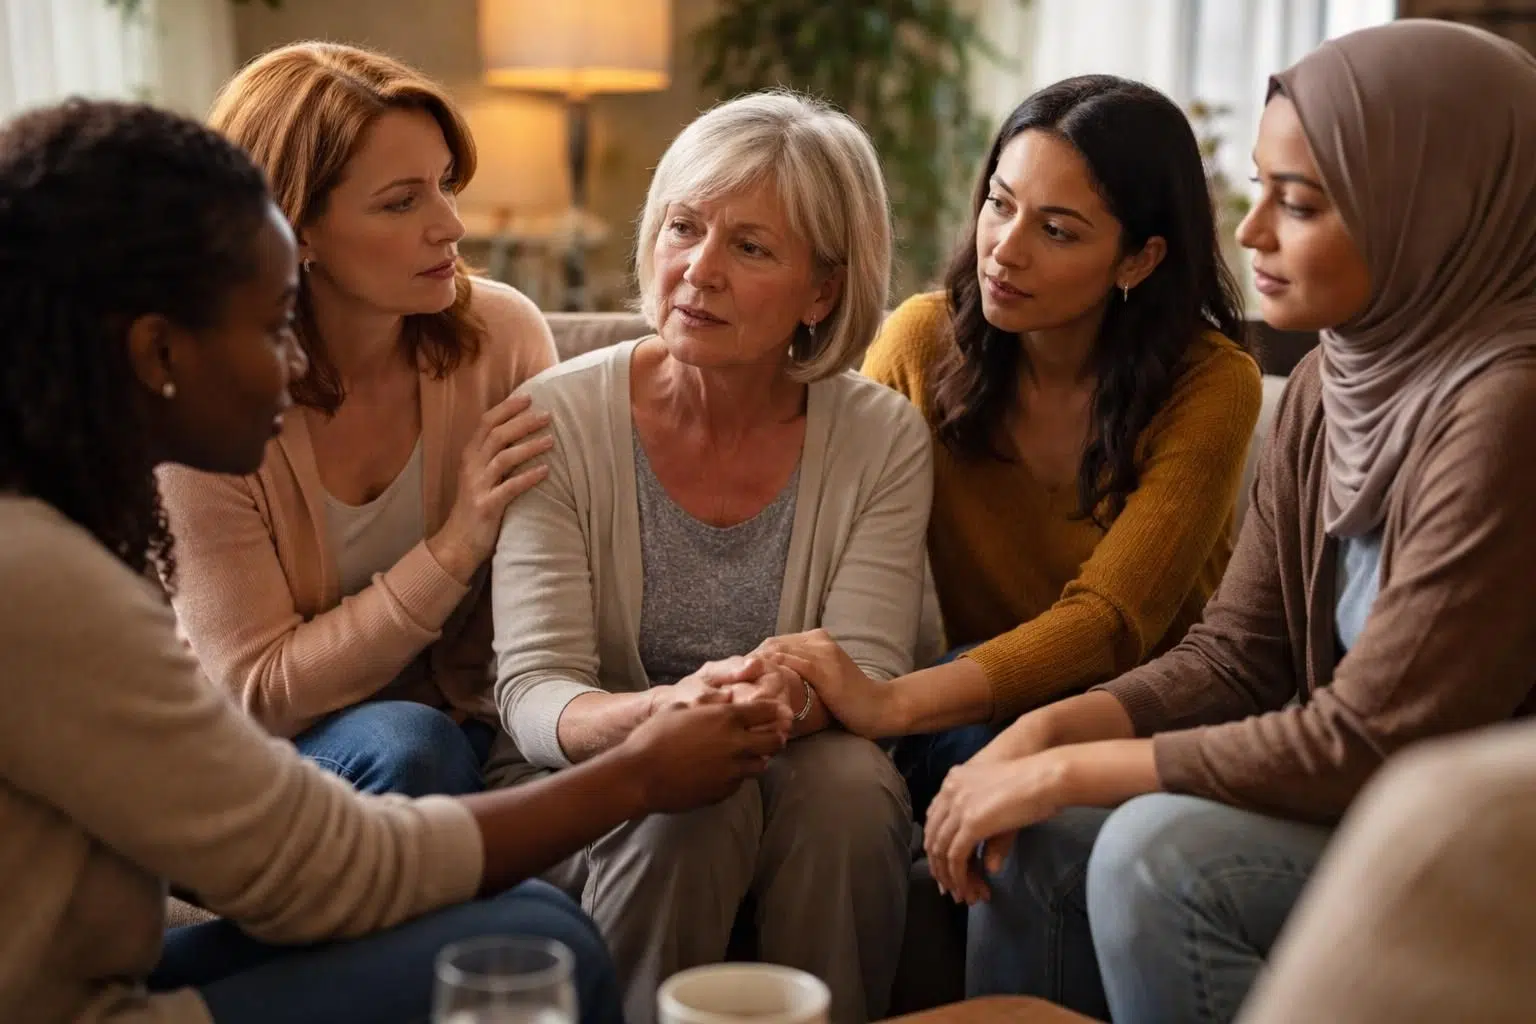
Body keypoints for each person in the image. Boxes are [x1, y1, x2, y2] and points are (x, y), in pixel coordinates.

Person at [0, 97, 793, 1024]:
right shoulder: (38, 578)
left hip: (103, 974)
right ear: (158, 351)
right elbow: (316, 863)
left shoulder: (72, 527)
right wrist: (638, 774)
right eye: (270, 329)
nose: (294, 361)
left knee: (526, 922)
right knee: (539, 941)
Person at [895, 20, 1536, 1024]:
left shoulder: (1509, 407)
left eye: (1302, 203)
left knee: (1164, 860)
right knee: (1047, 832)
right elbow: (1239, 657)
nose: (1249, 232)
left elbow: (1363, 741)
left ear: (1434, 214)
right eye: (1262, 188)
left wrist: (1061, 760)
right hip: (1356, 804)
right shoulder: (1334, 380)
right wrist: (1036, 735)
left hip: (1479, 845)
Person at [488, 91, 928, 1024]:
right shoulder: (554, 417)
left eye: (751, 247)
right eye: (683, 227)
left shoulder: (882, 434)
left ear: (823, 291)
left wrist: (738, 717)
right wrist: (666, 722)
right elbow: (534, 693)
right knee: (694, 800)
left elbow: (870, 670)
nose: (699, 269)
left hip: (804, 767)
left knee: (852, 788)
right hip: (578, 778)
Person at [762, 75, 1261, 821]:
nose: (1005, 251)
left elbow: (1111, 623)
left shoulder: (1212, 382)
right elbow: (830, 526)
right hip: (975, 708)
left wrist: (890, 703)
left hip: (1144, 715)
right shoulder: (923, 340)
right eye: (1000, 204)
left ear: (1139, 260)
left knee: (1024, 784)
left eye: (1056, 230)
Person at [157, 42, 558, 797]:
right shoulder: (203, 403)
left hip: (474, 718)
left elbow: (561, 571)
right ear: (293, 230)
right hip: (262, 753)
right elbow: (260, 691)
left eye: (444, 186)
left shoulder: (504, 337)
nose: (450, 227)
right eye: (402, 202)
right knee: (411, 745)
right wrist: (457, 545)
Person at [1238, 720, 1536, 1024]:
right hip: (1369, 800)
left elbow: (1348, 742)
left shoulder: (1478, 806)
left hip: (1397, 810)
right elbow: (1248, 674)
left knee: (1198, 866)